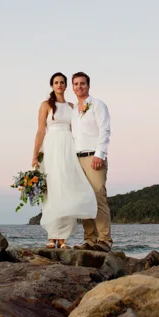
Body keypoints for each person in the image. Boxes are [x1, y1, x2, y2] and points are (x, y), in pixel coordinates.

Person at [31, 72, 97, 249]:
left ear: (66, 85)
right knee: (53, 189)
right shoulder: (46, 105)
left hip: (69, 148)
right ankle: (53, 236)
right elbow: (40, 131)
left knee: (68, 187)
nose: (59, 85)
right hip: (52, 147)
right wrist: (35, 155)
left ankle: (64, 238)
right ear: (52, 85)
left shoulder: (71, 106)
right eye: (56, 82)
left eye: (62, 82)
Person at [70, 71, 113, 252]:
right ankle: (89, 240)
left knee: (98, 196)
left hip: (93, 157)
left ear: (88, 86)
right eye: (76, 84)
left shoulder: (97, 105)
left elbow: (105, 129)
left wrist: (99, 154)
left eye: (82, 83)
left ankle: (104, 240)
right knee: (84, 199)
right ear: (72, 87)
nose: (79, 87)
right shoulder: (73, 111)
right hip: (77, 159)